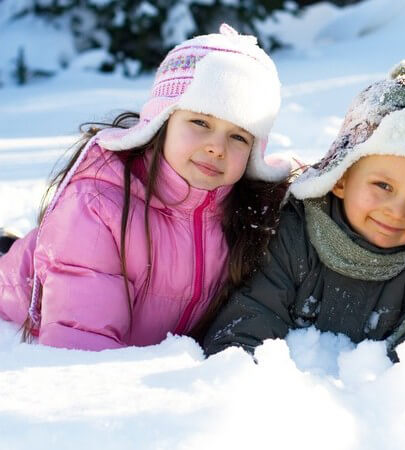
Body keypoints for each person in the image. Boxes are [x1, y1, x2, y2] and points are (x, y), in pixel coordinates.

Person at [0, 24, 294, 350]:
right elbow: (79, 347)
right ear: (161, 123)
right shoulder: (98, 207)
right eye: (200, 123)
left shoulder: (244, 211)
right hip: (18, 282)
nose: (217, 147)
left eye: (238, 136)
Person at [202, 60, 405, 357]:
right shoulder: (296, 234)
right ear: (340, 179)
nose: (396, 211)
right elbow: (254, 313)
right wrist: (242, 371)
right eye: (383, 186)